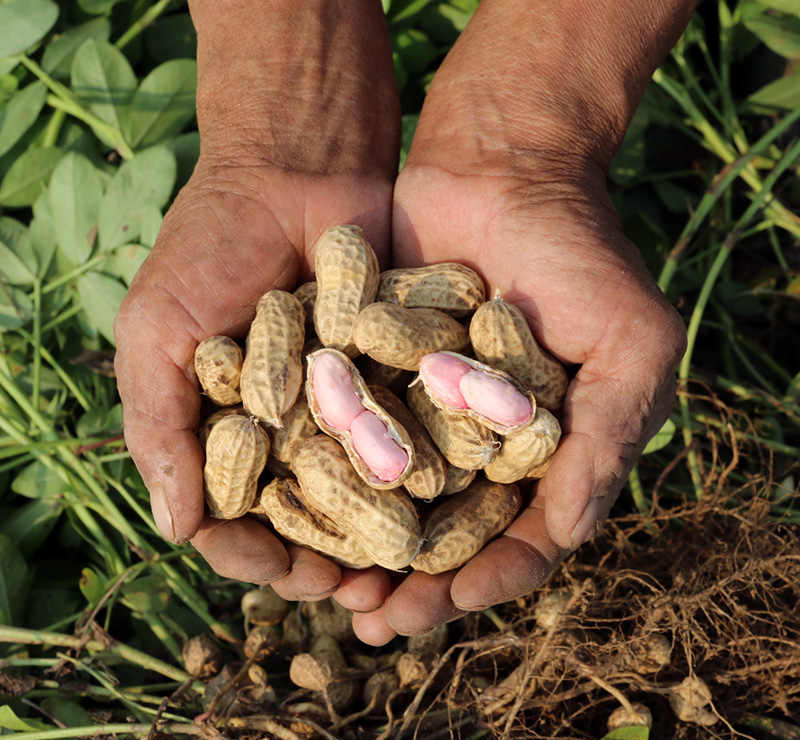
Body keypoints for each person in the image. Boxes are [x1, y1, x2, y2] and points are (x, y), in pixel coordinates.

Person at [114, 0, 694, 646]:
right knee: (368, 397)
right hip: (381, 418)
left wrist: (536, 132)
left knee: (386, 380)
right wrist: (280, 115)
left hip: (418, 409)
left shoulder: (416, 375)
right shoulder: (316, 387)